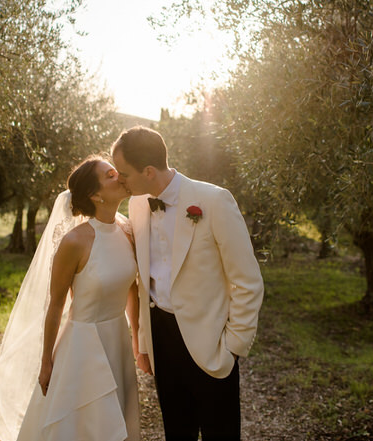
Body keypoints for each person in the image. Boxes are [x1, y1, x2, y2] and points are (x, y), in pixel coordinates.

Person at [112, 126, 264, 441]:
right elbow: (144, 281)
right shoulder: (138, 204)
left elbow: (247, 281)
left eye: (124, 173)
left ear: (149, 171)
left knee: (219, 434)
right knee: (176, 433)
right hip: (162, 339)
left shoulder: (215, 200)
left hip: (212, 344)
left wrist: (234, 346)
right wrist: (143, 341)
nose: (119, 179)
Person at [0, 157, 141, 441]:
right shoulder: (74, 242)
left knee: (116, 422)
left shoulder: (128, 230)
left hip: (117, 341)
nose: (119, 176)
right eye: (110, 175)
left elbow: (132, 288)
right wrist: (46, 362)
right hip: (83, 346)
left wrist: (137, 340)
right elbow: (56, 304)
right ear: (96, 195)